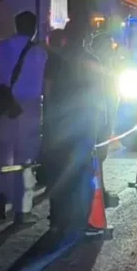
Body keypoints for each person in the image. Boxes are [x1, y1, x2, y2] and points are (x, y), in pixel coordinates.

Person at [0, 11, 48, 223]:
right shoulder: (40, 53)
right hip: (30, 109)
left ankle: (0, 198)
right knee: (25, 159)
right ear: (34, 28)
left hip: (4, 108)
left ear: (16, 26)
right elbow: (47, 82)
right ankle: (22, 210)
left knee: (3, 155)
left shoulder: (0, 48)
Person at [43, 17, 105, 236]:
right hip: (84, 124)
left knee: (59, 171)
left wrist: (49, 122)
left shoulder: (54, 60)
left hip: (60, 125)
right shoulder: (92, 60)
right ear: (85, 37)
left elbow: (48, 94)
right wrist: (99, 124)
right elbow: (99, 96)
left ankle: (57, 219)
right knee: (81, 171)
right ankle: (79, 219)